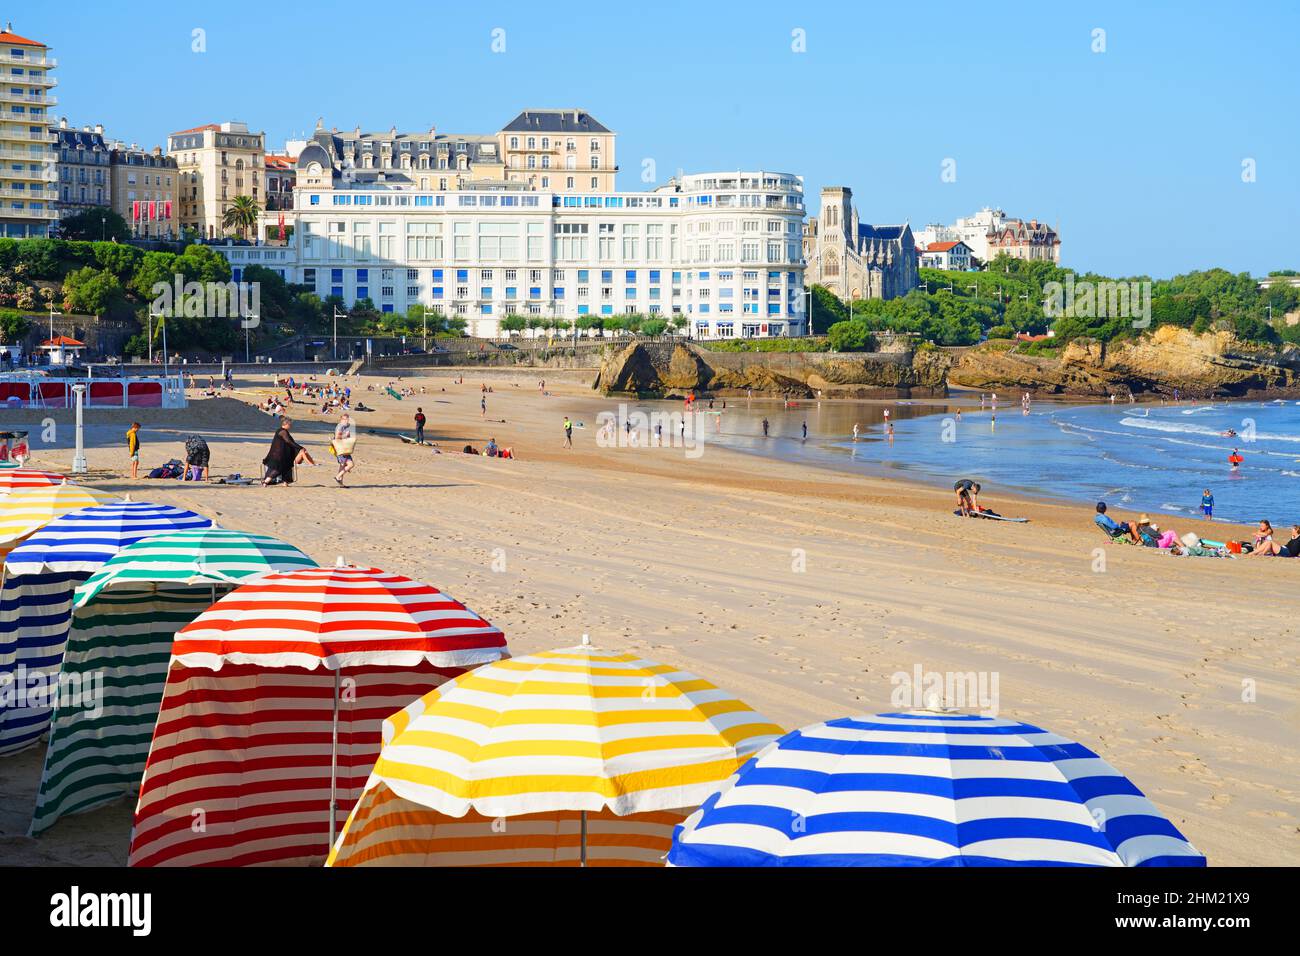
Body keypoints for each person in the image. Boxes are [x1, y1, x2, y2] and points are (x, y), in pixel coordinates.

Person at [262, 416, 314, 486]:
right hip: (279, 454)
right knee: (278, 469)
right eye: (290, 424)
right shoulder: (282, 431)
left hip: (282, 454)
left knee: (287, 467)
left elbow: (290, 442)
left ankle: (285, 482)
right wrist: (300, 448)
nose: (290, 426)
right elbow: (289, 441)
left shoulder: (283, 431)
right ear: (286, 424)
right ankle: (266, 481)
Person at [333, 414, 356, 486]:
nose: (347, 420)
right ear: (341, 419)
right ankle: (337, 477)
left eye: (347, 419)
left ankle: (341, 483)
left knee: (342, 465)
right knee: (350, 464)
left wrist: (347, 436)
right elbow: (337, 437)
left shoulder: (344, 426)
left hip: (344, 448)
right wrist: (346, 435)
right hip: (341, 448)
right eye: (345, 419)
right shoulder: (340, 426)